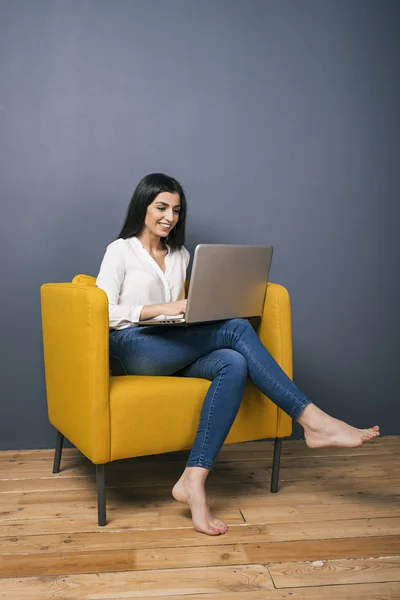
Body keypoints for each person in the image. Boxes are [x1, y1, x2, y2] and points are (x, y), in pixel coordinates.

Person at [96, 173, 380, 536]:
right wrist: (161, 307)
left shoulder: (180, 255)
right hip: (129, 348)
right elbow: (102, 312)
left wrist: (192, 311)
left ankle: (192, 481)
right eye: (161, 208)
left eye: (176, 210)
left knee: (234, 362)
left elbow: (183, 310)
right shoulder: (119, 251)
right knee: (237, 328)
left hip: (170, 345)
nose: (169, 217)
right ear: (143, 207)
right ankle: (314, 421)